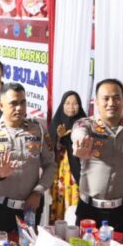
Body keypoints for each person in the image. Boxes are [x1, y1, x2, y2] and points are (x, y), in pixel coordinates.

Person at [71, 79, 123, 233]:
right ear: (96, 102)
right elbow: (78, 134)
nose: (111, 103)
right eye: (106, 98)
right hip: (89, 210)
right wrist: (79, 143)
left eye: (116, 98)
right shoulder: (85, 125)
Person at [0, 83, 55, 237]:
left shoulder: (38, 129)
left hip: (30, 207)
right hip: (1, 208)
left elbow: (50, 165)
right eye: (13, 103)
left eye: (22, 102)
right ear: (1, 105)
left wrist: (38, 192)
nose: (19, 108)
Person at [48, 91, 87, 222]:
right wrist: (59, 137)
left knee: (74, 201)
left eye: (75, 103)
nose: (71, 106)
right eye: (68, 103)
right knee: (58, 197)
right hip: (59, 172)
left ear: (80, 106)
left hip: (77, 171)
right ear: (62, 105)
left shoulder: (85, 124)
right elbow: (49, 148)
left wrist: (70, 137)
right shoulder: (56, 123)